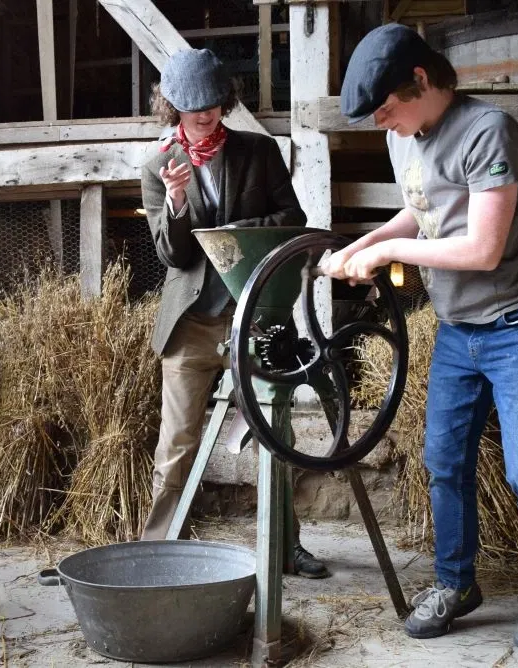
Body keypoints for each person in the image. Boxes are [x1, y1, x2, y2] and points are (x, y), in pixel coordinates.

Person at [325, 24, 518, 651]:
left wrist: (386, 254)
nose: (384, 123)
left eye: (388, 108)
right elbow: (423, 207)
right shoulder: (405, 137)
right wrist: (359, 245)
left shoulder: (488, 130)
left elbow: (483, 248)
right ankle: (455, 584)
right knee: (444, 463)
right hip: (456, 327)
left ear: (421, 78)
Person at [139, 48, 328, 578]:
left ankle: (286, 546)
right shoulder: (158, 167)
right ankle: (157, 550)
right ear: (171, 104)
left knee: (276, 435)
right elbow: (173, 257)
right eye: (194, 105)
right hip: (192, 325)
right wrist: (177, 206)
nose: (205, 114)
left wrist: (235, 238)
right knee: (176, 443)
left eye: (214, 103)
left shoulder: (258, 151)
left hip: (257, 317)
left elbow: (294, 217)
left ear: (226, 99)